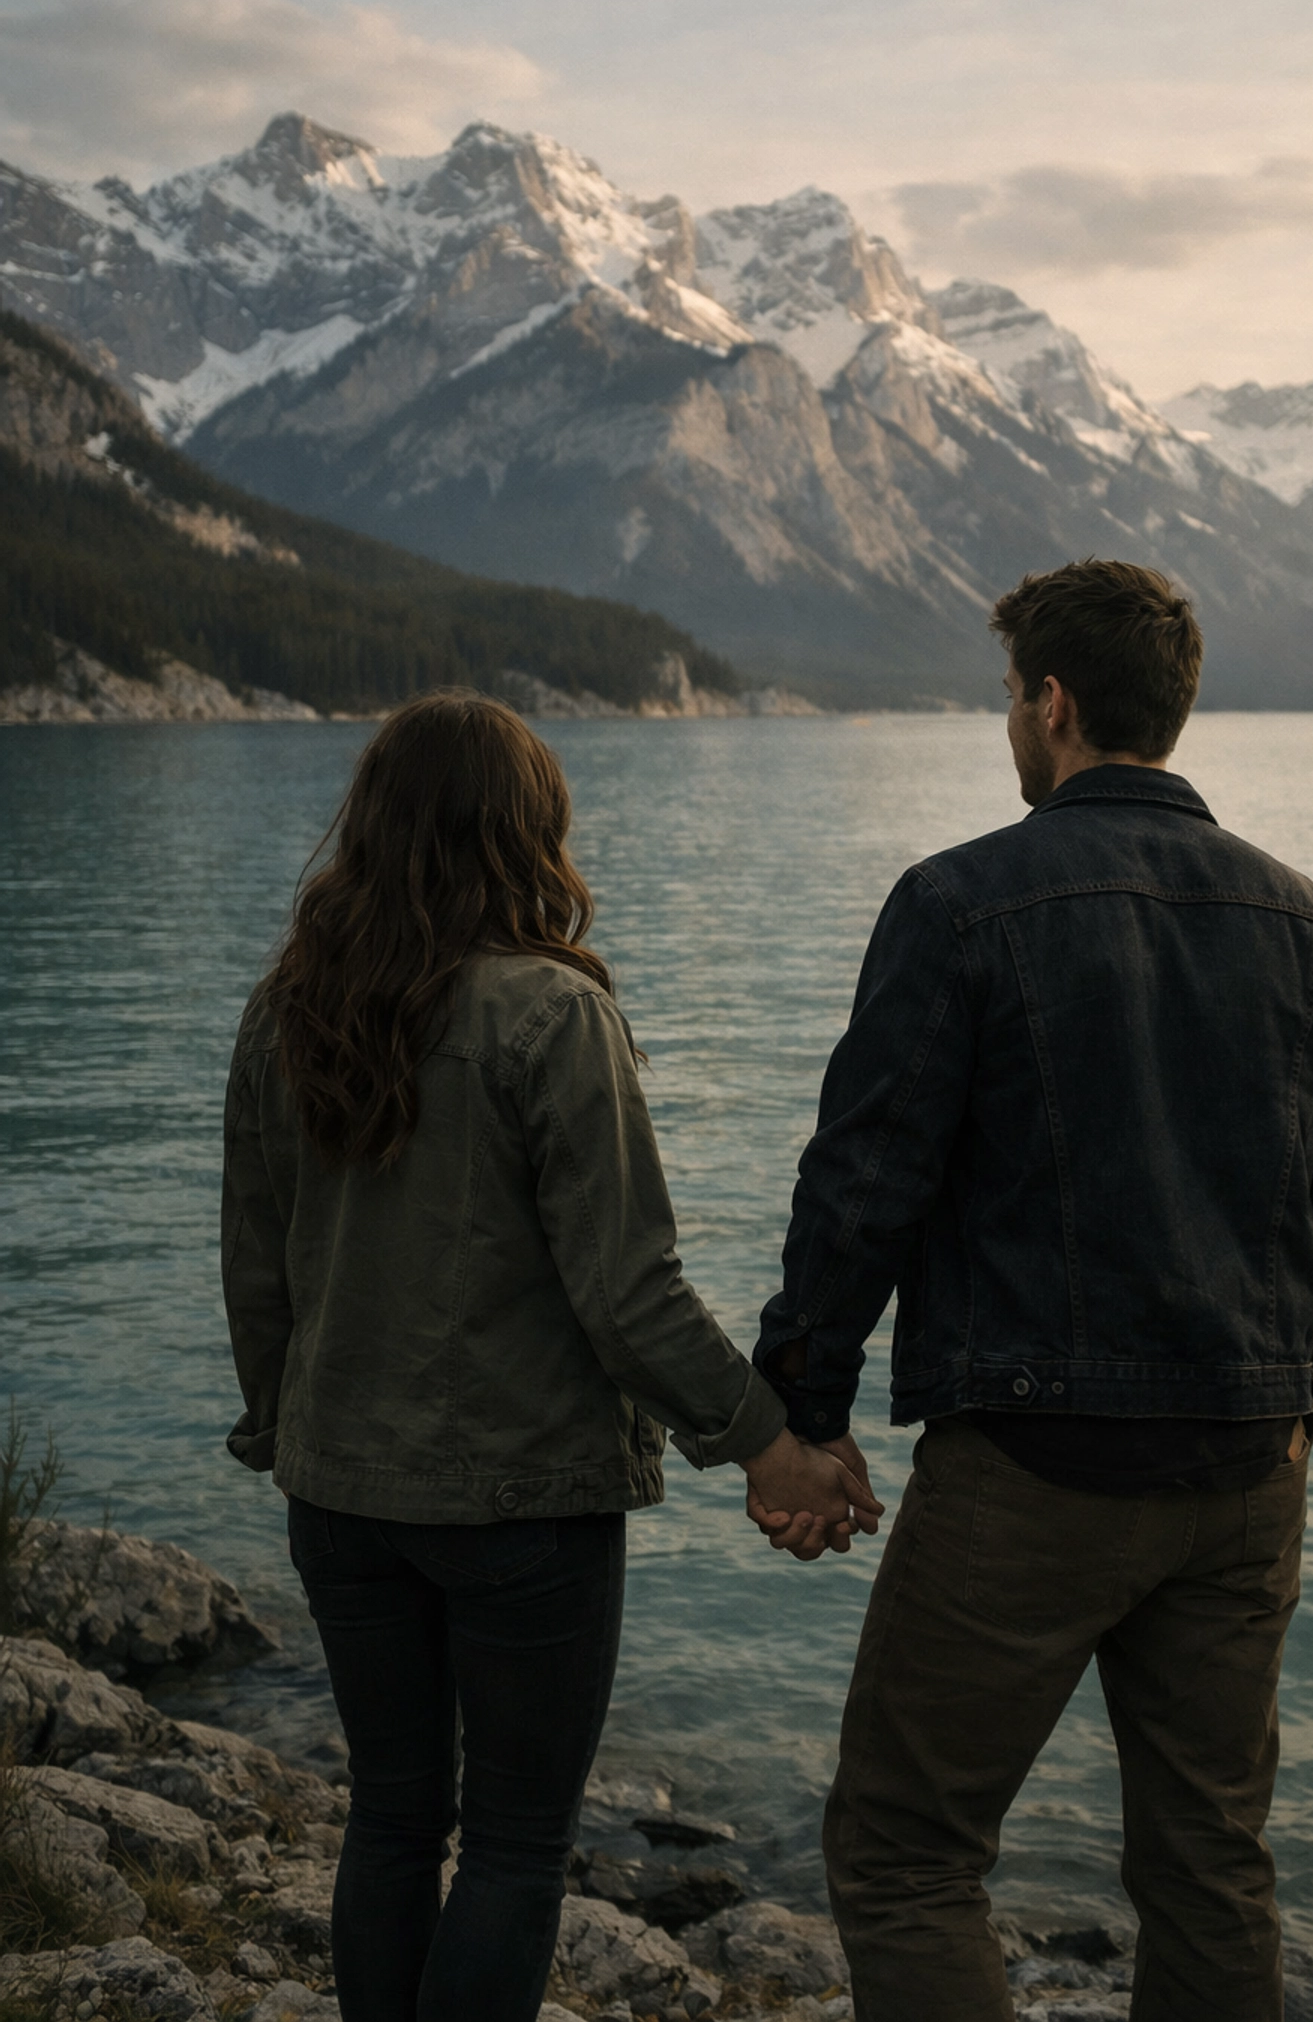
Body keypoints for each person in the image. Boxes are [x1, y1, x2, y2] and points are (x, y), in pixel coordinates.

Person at [749, 559, 1313, 2022]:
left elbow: (861, 1190)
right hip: (1247, 1473)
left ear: (1051, 704)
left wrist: (801, 1416)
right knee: (1211, 1863)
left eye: (1008, 697)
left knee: (908, 1849)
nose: (1009, 722)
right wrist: (1303, 1395)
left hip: (1032, 1470)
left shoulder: (958, 904)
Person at [221, 690, 880, 2022]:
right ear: (529, 831)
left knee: (394, 1820)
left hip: (337, 1495)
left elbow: (257, 1272)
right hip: (520, 1505)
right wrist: (772, 1444)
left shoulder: (286, 1009)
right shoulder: (550, 1015)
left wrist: (283, 1432)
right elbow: (628, 1296)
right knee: (516, 1847)